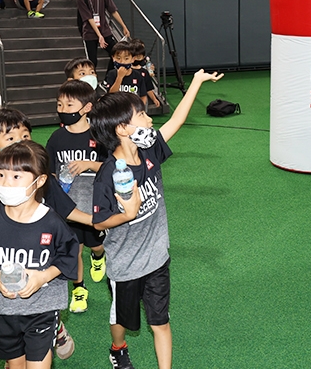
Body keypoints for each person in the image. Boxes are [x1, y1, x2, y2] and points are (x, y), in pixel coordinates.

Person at [90, 69, 224, 369]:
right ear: (123, 129)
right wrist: (126, 214)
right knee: (121, 320)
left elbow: (176, 121)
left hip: (157, 259)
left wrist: (197, 83)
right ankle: (118, 347)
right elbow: (98, 222)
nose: (150, 119)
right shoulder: (108, 176)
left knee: (160, 322)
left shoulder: (149, 149)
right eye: (142, 114)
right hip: (124, 266)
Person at [0, 140, 79, 369]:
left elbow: (67, 256)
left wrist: (43, 277)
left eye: (16, 177)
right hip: (2, 310)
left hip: (41, 310)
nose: (6, 182)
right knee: (14, 365)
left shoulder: (52, 222)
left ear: (40, 181)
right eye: (1, 175)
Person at [46, 80, 107, 314]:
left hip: (93, 205)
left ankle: (98, 257)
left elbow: (114, 167)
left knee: (97, 244)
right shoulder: (56, 138)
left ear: (87, 108)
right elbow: (49, 170)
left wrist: (89, 164)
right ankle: (79, 289)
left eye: (69, 104)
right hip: (68, 208)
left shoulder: (99, 135)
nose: (62, 109)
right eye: (59, 104)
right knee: (75, 249)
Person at [76, 0, 130, 73]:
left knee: (116, 53)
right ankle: (92, 82)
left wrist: (124, 26)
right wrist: (99, 35)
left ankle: (108, 79)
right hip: (90, 33)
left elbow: (113, 11)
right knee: (92, 61)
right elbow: (89, 18)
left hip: (105, 30)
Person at [129, 38, 161, 108]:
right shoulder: (125, 70)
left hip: (141, 102)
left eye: (138, 56)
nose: (135, 59)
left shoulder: (144, 72)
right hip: (127, 101)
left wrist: (154, 99)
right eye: (133, 56)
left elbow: (148, 88)